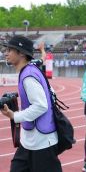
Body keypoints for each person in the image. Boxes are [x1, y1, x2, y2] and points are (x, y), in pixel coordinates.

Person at [0, 35, 62, 172]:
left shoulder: (28, 76)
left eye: (9, 50)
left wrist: (14, 115)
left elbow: (41, 105)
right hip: (30, 141)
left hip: (42, 143)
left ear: (21, 53)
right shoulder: (32, 70)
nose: (6, 53)